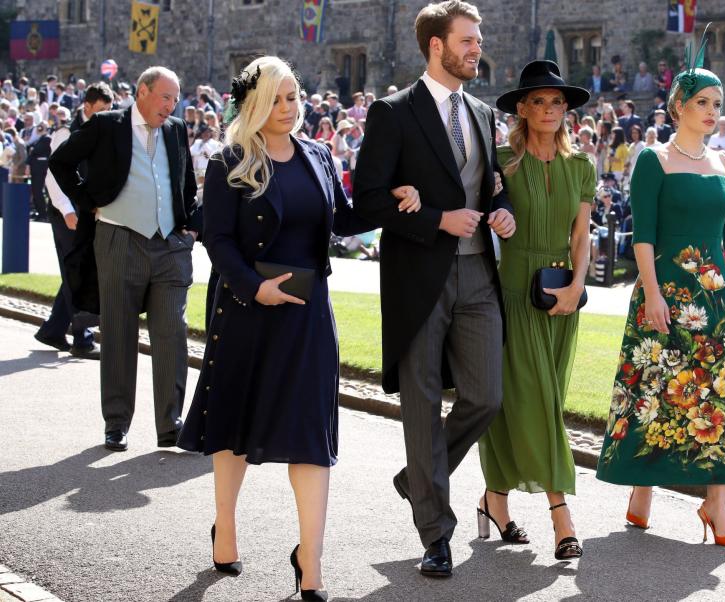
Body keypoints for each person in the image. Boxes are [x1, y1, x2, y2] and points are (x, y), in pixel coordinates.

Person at [177, 56, 417, 599]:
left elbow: (345, 219)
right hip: (246, 314)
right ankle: (226, 525)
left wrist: (395, 202)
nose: (289, 108)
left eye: (294, 97)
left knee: (311, 438)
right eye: (278, 99)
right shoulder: (229, 162)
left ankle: (310, 559)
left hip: (308, 318)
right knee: (234, 428)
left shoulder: (318, 154)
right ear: (256, 103)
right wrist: (253, 287)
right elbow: (217, 239)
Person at [352, 0, 516, 579]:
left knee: (486, 396)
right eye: (467, 40)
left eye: (478, 39)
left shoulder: (482, 112)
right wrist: (435, 221)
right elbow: (367, 201)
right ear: (436, 46)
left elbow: (490, 188)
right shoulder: (392, 113)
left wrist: (502, 212)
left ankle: (417, 477)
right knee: (420, 406)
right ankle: (435, 533)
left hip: (477, 275)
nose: (477, 48)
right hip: (417, 276)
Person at [595, 40, 725, 549]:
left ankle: (717, 506)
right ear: (679, 106)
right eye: (703, 103)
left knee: (718, 399)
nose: (712, 112)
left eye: (717, 104)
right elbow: (643, 235)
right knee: (653, 391)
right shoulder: (653, 158)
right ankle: (641, 492)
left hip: (715, 302)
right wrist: (652, 294)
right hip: (663, 293)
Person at [472, 59, 593, 562]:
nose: (548, 109)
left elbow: (582, 236)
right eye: (538, 101)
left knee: (537, 399)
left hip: (564, 293)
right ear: (521, 108)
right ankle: (561, 516)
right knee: (537, 400)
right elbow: (480, 219)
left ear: (567, 109)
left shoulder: (581, 165)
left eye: (556, 101)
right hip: (513, 288)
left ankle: (493, 501)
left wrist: (576, 288)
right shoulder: (500, 161)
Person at [48, 67, 200, 453]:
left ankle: (171, 424)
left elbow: (185, 185)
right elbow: (61, 163)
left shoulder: (177, 129)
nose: (171, 105)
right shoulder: (106, 125)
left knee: (171, 332)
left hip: (169, 247)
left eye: (175, 98)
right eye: (165, 96)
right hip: (118, 240)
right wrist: (88, 203)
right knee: (118, 332)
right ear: (143, 92)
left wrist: (189, 227)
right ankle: (116, 423)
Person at [33, 84, 113, 359]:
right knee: (77, 270)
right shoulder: (66, 132)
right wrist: (68, 211)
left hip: (86, 212)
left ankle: (54, 330)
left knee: (76, 269)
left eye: (109, 110)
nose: (106, 114)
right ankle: (82, 338)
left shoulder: (100, 131)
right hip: (66, 213)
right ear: (88, 106)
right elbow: (53, 176)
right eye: (102, 109)